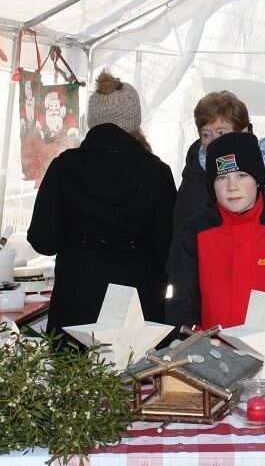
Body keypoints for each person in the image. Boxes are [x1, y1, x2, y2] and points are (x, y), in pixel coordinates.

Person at [27, 71, 176, 339]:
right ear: (134, 121)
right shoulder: (156, 172)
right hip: (137, 305)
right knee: (135, 378)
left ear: (92, 120)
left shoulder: (64, 167)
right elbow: (167, 249)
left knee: (72, 380)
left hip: (76, 303)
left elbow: (43, 240)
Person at [166, 132, 265, 329]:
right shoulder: (194, 232)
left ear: (258, 180)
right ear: (212, 185)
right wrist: (189, 337)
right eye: (221, 178)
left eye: (242, 175)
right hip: (208, 351)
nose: (232, 186)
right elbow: (180, 297)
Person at [172, 91, 265, 234]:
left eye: (221, 133)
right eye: (206, 135)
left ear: (243, 132)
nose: (214, 141)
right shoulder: (196, 178)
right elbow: (185, 236)